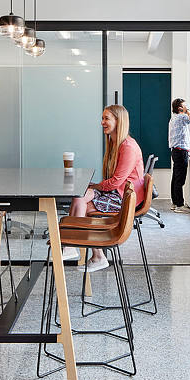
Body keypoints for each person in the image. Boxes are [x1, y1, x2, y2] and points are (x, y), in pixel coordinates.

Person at [62, 105, 144, 272]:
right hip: (116, 194)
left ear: (118, 121)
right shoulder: (116, 144)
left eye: (106, 118)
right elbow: (113, 183)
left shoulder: (128, 147)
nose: (102, 122)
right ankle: (89, 253)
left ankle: (75, 246)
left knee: (81, 202)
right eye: (103, 118)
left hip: (124, 200)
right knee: (80, 197)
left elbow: (115, 183)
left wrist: (96, 186)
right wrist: (96, 186)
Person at [168, 98, 190, 213]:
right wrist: (187, 110)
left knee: (175, 178)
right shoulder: (182, 117)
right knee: (180, 179)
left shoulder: (173, 119)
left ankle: (175, 203)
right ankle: (179, 205)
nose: (186, 107)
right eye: (184, 106)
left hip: (176, 150)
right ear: (180, 108)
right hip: (181, 151)